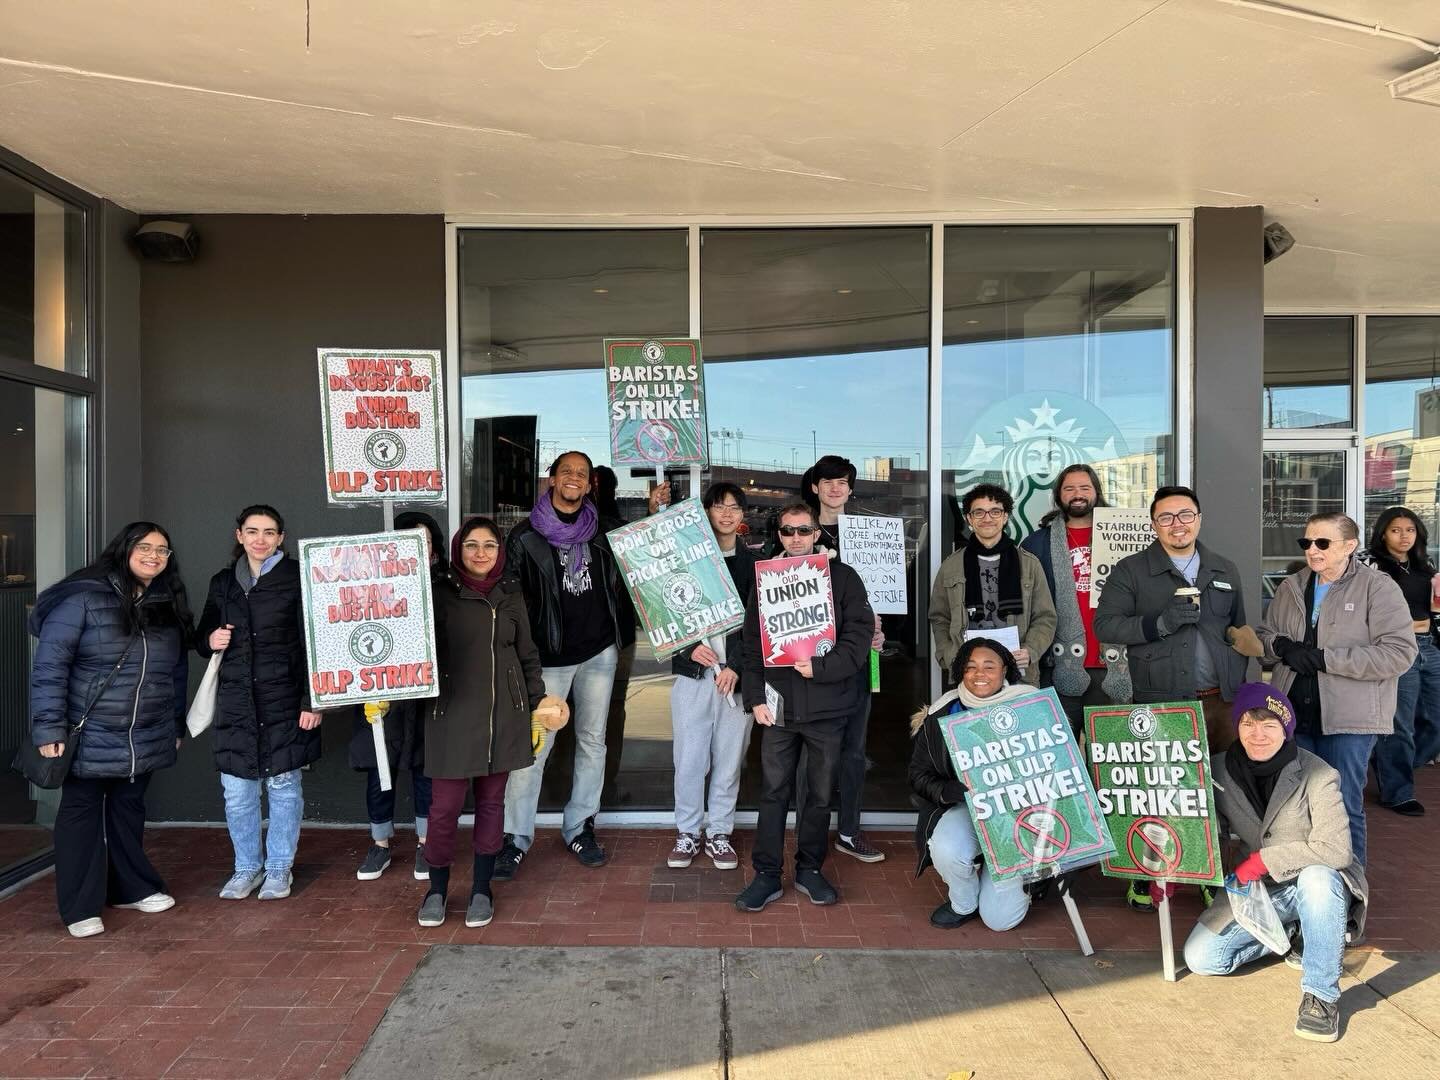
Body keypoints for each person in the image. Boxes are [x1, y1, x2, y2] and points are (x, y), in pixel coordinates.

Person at [1093, 485, 1255, 911]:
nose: (1177, 524)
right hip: (1160, 700)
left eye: (1185, 515)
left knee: (1218, 791)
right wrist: (1159, 623)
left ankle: (1209, 869)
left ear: (1199, 519)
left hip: (1219, 701)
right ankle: (1150, 874)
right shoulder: (1132, 570)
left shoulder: (1224, 568)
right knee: (1160, 792)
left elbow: (1238, 627)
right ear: (1153, 524)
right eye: (1166, 517)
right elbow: (1105, 626)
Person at [29, 522, 191, 938]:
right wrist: (49, 729)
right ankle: (80, 907)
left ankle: (130, 888)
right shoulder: (83, 598)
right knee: (81, 817)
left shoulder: (164, 602)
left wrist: (174, 723)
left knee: (127, 812)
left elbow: (175, 671)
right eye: (145, 547)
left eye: (162, 550)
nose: (154, 555)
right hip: (89, 732)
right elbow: (50, 668)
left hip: (145, 733)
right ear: (123, 549)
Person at [1182, 682, 1368, 1043]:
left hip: (1318, 882)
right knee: (1201, 958)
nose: (1258, 734)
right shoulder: (1216, 771)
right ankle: (1302, 933)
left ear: (1285, 729)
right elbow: (1207, 832)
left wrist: (1264, 860)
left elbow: (1337, 850)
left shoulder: (1319, 774)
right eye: (1249, 724)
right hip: (1261, 890)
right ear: (1236, 726)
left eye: (1269, 725)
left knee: (1317, 878)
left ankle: (1321, 995)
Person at [418, 517, 566, 927]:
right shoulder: (438, 593)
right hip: (449, 715)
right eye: (471, 545)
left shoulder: (511, 594)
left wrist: (537, 706)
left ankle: (482, 888)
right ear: (457, 549)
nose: (480, 553)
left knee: (491, 806)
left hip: (505, 716)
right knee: (444, 810)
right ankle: (436, 889)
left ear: (500, 551)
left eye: (489, 545)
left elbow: (528, 656)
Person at [735, 502, 875, 911]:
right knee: (773, 792)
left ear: (817, 534)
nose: (795, 538)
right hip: (778, 708)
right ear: (778, 535)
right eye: (787, 531)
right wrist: (756, 697)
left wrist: (821, 667)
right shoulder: (765, 582)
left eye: (803, 530)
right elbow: (750, 645)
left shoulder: (844, 579)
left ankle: (810, 868)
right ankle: (766, 873)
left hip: (827, 708)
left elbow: (858, 639)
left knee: (817, 794)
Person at [1259, 512, 1414, 866]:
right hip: (1295, 714)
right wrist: (1282, 647)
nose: (1312, 550)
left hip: (1349, 719)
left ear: (1350, 546)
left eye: (1323, 543)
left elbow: (1399, 653)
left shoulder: (1378, 587)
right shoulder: (1292, 586)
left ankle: (1348, 890)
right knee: (1296, 808)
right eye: (1307, 543)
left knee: (1342, 805)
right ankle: (1303, 886)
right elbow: (1265, 636)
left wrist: (1327, 659)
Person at [499, 451, 625, 877]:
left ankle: (580, 827)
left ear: (591, 485)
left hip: (598, 653)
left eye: (582, 474)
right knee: (535, 747)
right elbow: (512, 602)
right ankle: (515, 836)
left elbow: (648, 551)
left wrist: (656, 510)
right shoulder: (524, 536)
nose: (574, 479)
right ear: (551, 479)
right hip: (548, 660)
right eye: (566, 471)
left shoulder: (603, 531)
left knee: (592, 741)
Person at [196, 504, 321, 901]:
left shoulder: (300, 576)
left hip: (284, 698)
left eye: (269, 532)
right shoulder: (223, 581)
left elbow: (315, 642)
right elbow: (204, 633)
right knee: (237, 790)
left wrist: (313, 700)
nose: (261, 540)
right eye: (253, 531)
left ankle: (279, 868)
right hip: (236, 700)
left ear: (281, 537)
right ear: (239, 536)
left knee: (284, 785)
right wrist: (209, 640)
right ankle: (246, 867)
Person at [793, 454, 887, 863]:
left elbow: (887, 593)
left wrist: (881, 630)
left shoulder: (869, 532)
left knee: (854, 748)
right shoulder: (800, 534)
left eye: (843, 482)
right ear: (814, 487)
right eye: (827, 481)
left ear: (851, 488)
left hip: (858, 655)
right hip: (807, 660)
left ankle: (849, 829)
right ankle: (805, 830)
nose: (835, 488)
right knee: (806, 749)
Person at [908, 637, 1033, 932]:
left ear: (1006, 671)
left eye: (989, 667)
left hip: (1018, 817)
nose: (980, 674)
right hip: (968, 807)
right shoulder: (942, 713)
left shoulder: (1031, 706)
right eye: (971, 667)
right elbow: (918, 775)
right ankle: (963, 902)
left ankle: (1015, 875)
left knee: (1001, 921)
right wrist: (947, 791)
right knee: (947, 848)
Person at [349, 511, 445, 881]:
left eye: (425, 539)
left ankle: (426, 842)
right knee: (379, 769)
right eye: (408, 539)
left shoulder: (446, 585)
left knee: (426, 769)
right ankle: (380, 844)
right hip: (383, 693)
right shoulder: (368, 585)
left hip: (428, 695)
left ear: (434, 546)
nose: (418, 547)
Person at [667, 483, 757, 871]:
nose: (726, 513)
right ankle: (687, 831)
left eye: (734, 507)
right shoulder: (682, 559)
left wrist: (737, 665)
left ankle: (719, 832)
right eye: (718, 506)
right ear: (704, 511)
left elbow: (760, 625)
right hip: (694, 675)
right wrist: (686, 649)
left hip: (735, 678)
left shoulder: (755, 564)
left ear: (742, 516)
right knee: (689, 759)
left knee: (729, 759)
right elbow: (662, 612)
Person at [1019, 464, 1132, 731]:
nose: (1077, 494)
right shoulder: (1036, 544)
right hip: (1058, 664)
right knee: (1062, 749)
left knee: (1109, 755)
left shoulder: (1124, 537)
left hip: (1114, 663)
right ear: (1059, 496)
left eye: (1084, 487)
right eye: (1069, 488)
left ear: (1096, 492)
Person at [930, 483, 1056, 687]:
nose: (987, 518)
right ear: (969, 519)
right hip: (969, 672)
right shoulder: (951, 566)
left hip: (1018, 672)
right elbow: (939, 617)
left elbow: (1045, 617)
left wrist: (1030, 651)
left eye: (995, 511)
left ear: (1005, 517)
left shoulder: (1029, 564)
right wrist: (949, 655)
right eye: (978, 512)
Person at [1365, 506, 1440, 816]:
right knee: (1400, 725)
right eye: (1396, 530)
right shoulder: (1373, 568)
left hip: (1429, 647)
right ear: (1384, 533)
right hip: (1397, 649)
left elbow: (1432, 612)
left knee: (1435, 721)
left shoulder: (1426, 567)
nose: (1404, 536)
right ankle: (1398, 792)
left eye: (1409, 530)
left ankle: (1390, 762)